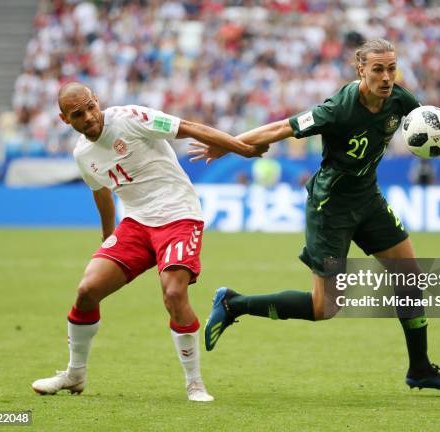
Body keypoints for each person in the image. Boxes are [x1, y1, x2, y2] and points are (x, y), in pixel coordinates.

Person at [189, 39, 440, 395]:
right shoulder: (338, 108)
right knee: (325, 307)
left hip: (368, 200)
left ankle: (421, 368)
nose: (386, 77)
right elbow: (280, 129)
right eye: (378, 69)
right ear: (360, 69)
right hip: (331, 209)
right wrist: (226, 143)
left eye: (391, 69)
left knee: (410, 279)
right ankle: (233, 303)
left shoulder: (400, 98)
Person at [31, 82, 265, 401]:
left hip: (179, 214)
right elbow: (100, 192)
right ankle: (75, 374)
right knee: (87, 290)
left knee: (173, 292)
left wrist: (243, 148)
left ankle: (194, 383)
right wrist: (107, 236)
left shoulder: (130, 117)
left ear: (97, 101)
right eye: (78, 114)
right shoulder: (82, 154)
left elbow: (188, 127)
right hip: (137, 223)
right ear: (64, 120)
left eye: (90, 107)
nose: (88, 117)